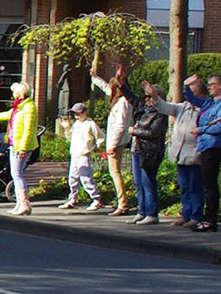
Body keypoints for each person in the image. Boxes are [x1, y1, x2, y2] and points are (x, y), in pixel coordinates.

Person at [145, 78, 203, 227]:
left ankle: (196, 216)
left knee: (194, 187)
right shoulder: (182, 107)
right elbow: (165, 107)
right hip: (181, 153)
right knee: (184, 186)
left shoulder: (203, 109)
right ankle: (186, 214)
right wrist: (154, 97)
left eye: (192, 91)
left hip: (195, 153)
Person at [0, 80, 39, 215]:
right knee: (15, 174)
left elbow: (28, 130)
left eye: (14, 92)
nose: (13, 94)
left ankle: (24, 203)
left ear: (20, 93)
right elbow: (7, 114)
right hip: (14, 143)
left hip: (20, 145)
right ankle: (20, 203)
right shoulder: (19, 107)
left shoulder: (29, 108)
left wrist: (23, 148)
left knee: (17, 174)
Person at [187, 73, 221, 232]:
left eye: (212, 84)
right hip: (204, 145)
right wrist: (187, 85)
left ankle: (211, 219)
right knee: (207, 183)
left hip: (213, 146)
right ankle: (209, 218)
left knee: (210, 184)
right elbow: (192, 99)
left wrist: (201, 129)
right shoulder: (209, 103)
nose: (209, 87)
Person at [95, 68, 134, 216]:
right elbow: (106, 88)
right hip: (115, 140)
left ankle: (122, 203)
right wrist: (95, 77)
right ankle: (121, 202)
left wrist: (111, 145)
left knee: (115, 172)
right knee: (114, 172)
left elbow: (120, 125)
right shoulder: (119, 99)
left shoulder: (123, 102)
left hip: (117, 141)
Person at [127, 88, 168, 224]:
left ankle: (151, 213)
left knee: (148, 182)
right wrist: (121, 83)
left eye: (150, 97)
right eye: (146, 97)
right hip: (137, 149)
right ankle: (141, 210)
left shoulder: (160, 113)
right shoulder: (144, 110)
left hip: (149, 151)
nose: (147, 100)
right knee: (138, 182)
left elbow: (153, 133)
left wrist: (135, 131)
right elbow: (131, 97)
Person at [58, 102, 104, 211]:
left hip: (83, 153)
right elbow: (69, 136)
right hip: (74, 153)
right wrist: (67, 128)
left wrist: (97, 147)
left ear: (85, 113)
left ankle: (97, 199)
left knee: (85, 177)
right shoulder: (76, 124)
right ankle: (73, 198)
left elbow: (100, 136)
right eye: (75, 114)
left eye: (79, 113)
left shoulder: (90, 123)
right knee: (72, 177)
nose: (77, 116)